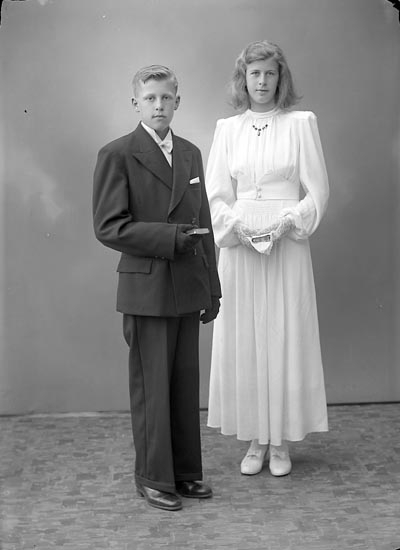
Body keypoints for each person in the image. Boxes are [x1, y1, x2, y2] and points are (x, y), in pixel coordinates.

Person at [93, 65, 221, 511]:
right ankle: (152, 478)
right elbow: (109, 227)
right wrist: (169, 239)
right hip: (147, 290)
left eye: (166, 98)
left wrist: (213, 287)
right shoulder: (117, 154)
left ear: (177, 102)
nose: (159, 106)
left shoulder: (190, 153)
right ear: (136, 104)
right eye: (150, 98)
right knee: (153, 389)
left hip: (188, 286)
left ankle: (184, 473)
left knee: (183, 386)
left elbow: (204, 223)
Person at [206, 41, 329, 477]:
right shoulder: (227, 129)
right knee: (246, 335)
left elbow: (318, 190)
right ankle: (256, 439)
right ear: (243, 79)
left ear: (281, 78)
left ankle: (280, 442)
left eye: (269, 73)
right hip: (241, 242)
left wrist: (288, 222)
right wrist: (236, 227)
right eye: (254, 73)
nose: (261, 81)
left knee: (282, 331)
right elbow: (216, 193)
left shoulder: (300, 124)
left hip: (285, 240)